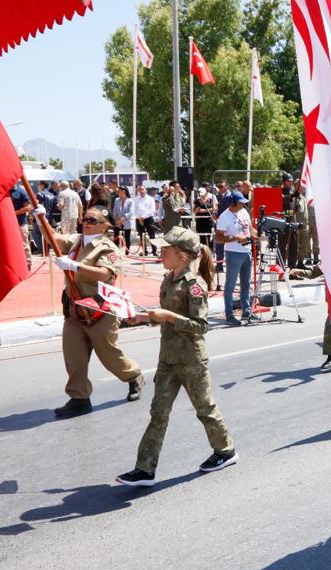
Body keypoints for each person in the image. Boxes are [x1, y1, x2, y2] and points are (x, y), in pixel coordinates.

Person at [116, 227, 238, 486]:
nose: (160, 254)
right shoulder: (168, 279)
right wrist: (141, 318)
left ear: (181, 255)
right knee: (158, 413)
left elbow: (200, 326)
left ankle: (225, 451)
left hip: (191, 359)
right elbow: (164, 316)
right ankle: (144, 469)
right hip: (168, 358)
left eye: (165, 250)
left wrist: (168, 316)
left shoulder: (194, 286)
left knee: (205, 409)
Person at [37, 204, 145, 417]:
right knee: (74, 357)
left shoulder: (107, 248)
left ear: (104, 226)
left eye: (92, 220)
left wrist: (75, 266)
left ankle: (134, 376)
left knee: (109, 357)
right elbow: (54, 238)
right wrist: (42, 219)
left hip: (99, 311)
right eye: (85, 219)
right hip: (75, 310)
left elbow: (105, 273)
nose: (86, 223)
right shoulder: (77, 241)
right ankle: (79, 398)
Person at [216, 191, 253, 326]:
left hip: (247, 251)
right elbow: (218, 238)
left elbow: (250, 229)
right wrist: (236, 238)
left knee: (246, 283)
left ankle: (246, 311)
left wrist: (261, 233)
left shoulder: (244, 212)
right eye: (241, 202)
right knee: (230, 285)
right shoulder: (224, 216)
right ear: (233, 203)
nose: (243, 204)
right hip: (233, 252)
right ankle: (229, 314)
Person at [10, 182, 32, 269]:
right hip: (9, 224)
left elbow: (28, 207)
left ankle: (28, 263)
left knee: (24, 244)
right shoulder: (5, 191)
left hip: (21, 222)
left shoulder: (21, 191)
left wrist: (15, 213)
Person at [133, 186, 159, 256]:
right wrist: (139, 218)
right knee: (142, 236)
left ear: (145, 190)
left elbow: (152, 210)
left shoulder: (150, 199)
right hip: (139, 219)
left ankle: (154, 251)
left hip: (148, 219)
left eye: (142, 189)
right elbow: (134, 210)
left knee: (152, 235)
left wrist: (143, 217)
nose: (141, 191)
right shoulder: (136, 199)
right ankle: (144, 251)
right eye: (139, 190)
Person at [112, 186, 135, 253]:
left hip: (126, 222)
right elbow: (114, 210)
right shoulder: (117, 200)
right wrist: (116, 219)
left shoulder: (130, 201)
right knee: (116, 237)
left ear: (124, 191)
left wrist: (123, 218)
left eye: (119, 191)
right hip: (117, 222)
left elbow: (131, 212)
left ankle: (127, 252)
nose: (118, 193)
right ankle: (115, 252)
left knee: (127, 238)